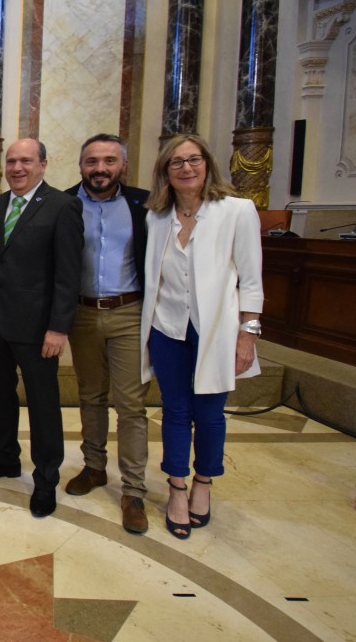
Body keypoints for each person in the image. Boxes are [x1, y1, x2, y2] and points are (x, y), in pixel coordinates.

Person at [140, 133, 263, 540]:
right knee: (175, 411)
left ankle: (203, 483)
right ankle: (177, 487)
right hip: (167, 328)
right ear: (165, 171)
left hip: (216, 331)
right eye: (176, 162)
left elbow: (251, 280)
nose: (186, 168)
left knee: (209, 414)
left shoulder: (236, 211)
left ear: (207, 164)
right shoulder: (157, 217)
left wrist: (247, 335)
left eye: (193, 159)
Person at [0, 138, 84, 519]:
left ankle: (46, 476)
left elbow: (68, 274)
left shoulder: (62, 206)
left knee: (43, 403)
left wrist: (59, 328)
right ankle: (5, 457)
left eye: (26, 161)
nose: (17, 168)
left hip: (38, 329)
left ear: (43, 165)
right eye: (11, 161)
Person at [64, 134, 152, 534]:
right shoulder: (65, 203)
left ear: (123, 165)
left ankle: (133, 490)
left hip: (129, 312)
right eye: (92, 161)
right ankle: (94, 467)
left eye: (109, 161)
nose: (100, 168)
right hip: (82, 313)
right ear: (81, 165)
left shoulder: (146, 205)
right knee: (91, 396)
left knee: (130, 404)